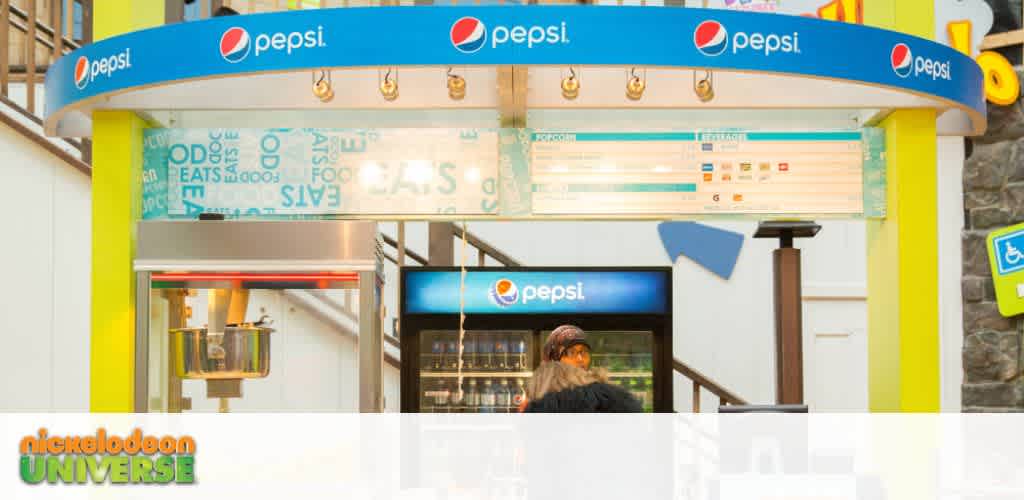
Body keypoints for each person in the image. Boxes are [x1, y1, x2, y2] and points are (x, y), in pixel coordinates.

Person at [520, 324, 641, 413]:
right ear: (553, 360)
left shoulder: (538, 403)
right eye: (571, 353)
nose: (580, 359)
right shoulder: (612, 397)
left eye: (583, 352)